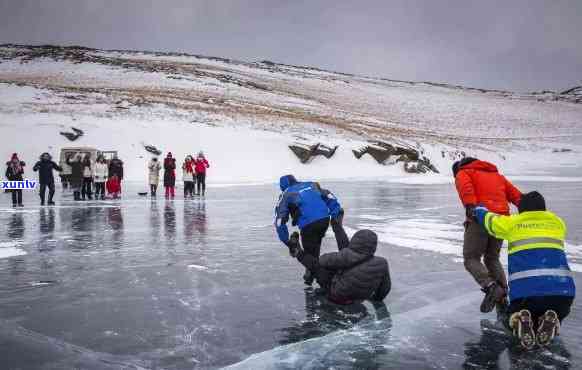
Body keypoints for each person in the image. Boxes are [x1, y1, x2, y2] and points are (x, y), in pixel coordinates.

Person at [474, 191, 576, 349]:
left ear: (521, 210)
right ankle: (551, 320)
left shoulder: (514, 223)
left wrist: (479, 209)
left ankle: (518, 319)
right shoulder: (558, 223)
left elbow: (490, 222)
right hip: (562, 293)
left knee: (508, 319)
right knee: (557, 311)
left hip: (526, 294)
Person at [453, 157, 522, 313]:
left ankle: (492, 287)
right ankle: (503, 296)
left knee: (471, 258)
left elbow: (466, 188)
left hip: (480, 217)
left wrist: (471, 206)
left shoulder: (463, 172)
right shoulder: (497, 176)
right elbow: (516, 195)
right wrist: (529, 209)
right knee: (492, 258)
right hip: (500, 221)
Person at [287, 213, 391, 304]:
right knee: (345, 253)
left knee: (317, 266)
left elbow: (322, 260)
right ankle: (337, 226)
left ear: (355, 240)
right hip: (359, 299)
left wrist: (341, 256)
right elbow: (385, 288)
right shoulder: (382, 263)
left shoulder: (345, 256)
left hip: (337, 296)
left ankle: (297, 252)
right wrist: (377, 299)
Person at [275, 174, 342, 285]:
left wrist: (286, 241)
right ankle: (310, 275)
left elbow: (279, 220)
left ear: (283, 186)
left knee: (308, 255)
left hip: (308, 225)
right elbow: (330, 196)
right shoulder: (311, 185)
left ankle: (325, 283)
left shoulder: (286, 194)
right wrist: (336, 212)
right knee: (313, 250)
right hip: (324, 220)